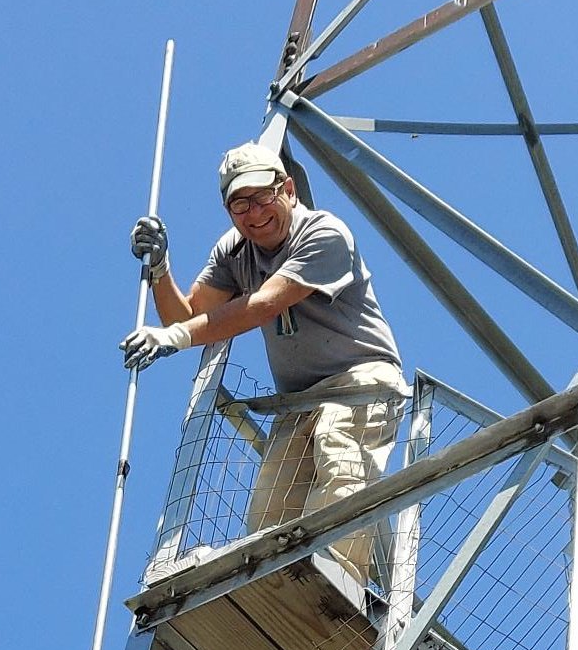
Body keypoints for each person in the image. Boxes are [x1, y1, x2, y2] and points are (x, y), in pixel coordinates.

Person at [123, 140, 407, 599]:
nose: (254, 214)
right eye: (239, 204)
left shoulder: (324, 234)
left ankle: (336, 588)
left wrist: (173, 339)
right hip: (298, 402)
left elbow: (261, 306)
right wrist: (160, 269)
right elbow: (189, 317)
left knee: (341, 456)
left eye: (261, 197)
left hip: (360, 381)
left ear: (288, 190)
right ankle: (276, 594)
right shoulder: (235, 252)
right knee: (268, 516)